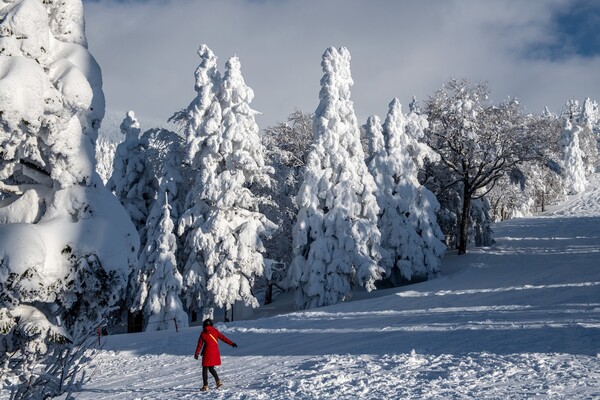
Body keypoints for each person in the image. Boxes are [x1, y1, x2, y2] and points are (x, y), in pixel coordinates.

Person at [194, 318, 238, 391]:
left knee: (205, 369)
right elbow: (224, 338)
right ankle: (218, 382)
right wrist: (232, 343)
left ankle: (205, 386)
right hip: (215, 353)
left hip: (207, 353)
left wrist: (196, 353)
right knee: (211, 368)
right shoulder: (215, 331)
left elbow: (199, 345)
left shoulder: (203, 333)